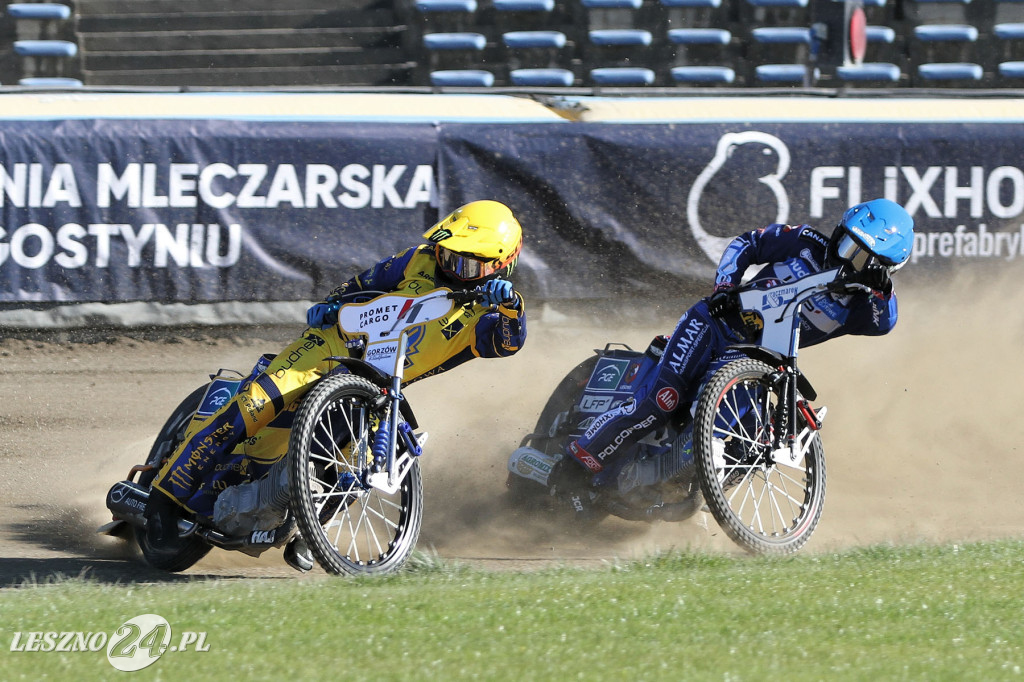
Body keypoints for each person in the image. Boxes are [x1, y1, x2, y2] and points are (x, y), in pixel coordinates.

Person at [144, 199, 527, 567]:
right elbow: (362, 283)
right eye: (447, 254)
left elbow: (510, 342)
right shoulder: (417, 258)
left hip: (375, 384)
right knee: (254, 404)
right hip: (330, 343)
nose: (451, 265)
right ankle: (163, 497)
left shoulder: (489, 313)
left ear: (499, 266)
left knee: (369, 455)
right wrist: (332, 304)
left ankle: (308, 528)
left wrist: (511, 307)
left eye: (466, 263)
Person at [549, 198, 915, 509]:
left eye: (860, 258)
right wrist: (726, 286)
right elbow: (748, 243)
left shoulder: (865, 309)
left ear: (882, 270)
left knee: (744, 438)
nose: (843, 258)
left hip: (755, 360)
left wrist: (881, 291)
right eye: (845, 245)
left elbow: (888, 321)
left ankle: (672, 489)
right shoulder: (804, 242)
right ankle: (574, 464)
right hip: (713, 324)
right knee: (661, 400)